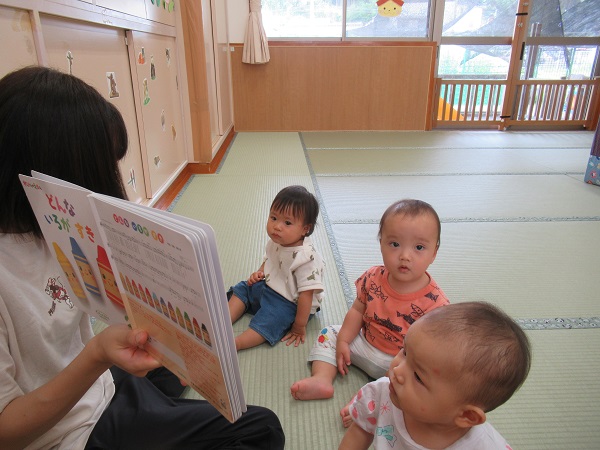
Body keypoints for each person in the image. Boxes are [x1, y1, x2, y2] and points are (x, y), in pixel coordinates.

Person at [0, 66, 285, 450]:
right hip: (73, 432)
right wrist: (98, 354)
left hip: (100, 385)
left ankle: (157, 404)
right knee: (261, 428)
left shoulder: (50, 224)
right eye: (102, 166)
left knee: (170, 362)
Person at [291, 199, 450, 426]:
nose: (405, 255)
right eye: (395, 244)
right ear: (381, 243)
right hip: (364, 343)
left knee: (421, 385)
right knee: (329, 334)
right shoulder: (373, 277)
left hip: (398, 363)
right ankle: (322, 379)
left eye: (419, 248)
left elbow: (426, 352)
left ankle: (365, 403)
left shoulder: (436, 305)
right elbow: (358, 310)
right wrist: (344, 341)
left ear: (434, 252)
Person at [339, 301, 532, 450]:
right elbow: (360, 432)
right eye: (405, 352)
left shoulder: (485, 446)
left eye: (418, 377)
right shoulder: (381, 394)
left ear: (466, 415)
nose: (397, 371)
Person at [228, 185, 325, 350]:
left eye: (287, 222)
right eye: (273, 218)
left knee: (273, 318)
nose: (277, 226)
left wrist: (299, 326)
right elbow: (270, 260)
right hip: (268, 286)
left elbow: (306, 296)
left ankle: (234, 344)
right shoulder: (278, 240)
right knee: (243, 288)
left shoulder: (306, 259)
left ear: (305, 229)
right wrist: (259, 273)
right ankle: (221, 322)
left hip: (291, 302)